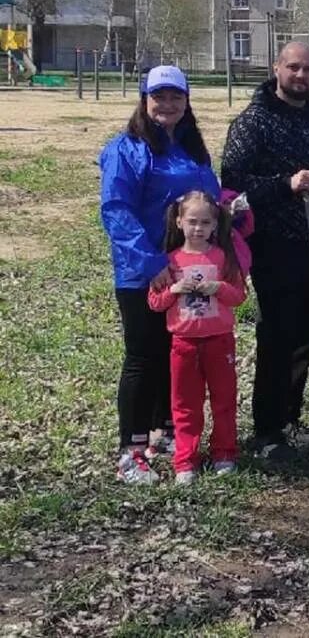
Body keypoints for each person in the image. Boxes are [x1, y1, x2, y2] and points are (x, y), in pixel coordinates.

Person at [221, 42, 309, 460]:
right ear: (276, 68)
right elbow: (232, 184)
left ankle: (289, 415)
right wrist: (286, 184)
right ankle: (266, 429)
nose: (301, 76)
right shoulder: (252, 122)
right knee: (278, 333)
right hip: (274, 243)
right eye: (293, 68)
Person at [100, 65, 220, 485]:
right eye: (159, 96)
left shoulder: (191, 149)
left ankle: (166, 433)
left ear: (187, 102)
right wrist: (152, 264)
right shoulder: (127, 150)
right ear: (144, 99)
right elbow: (116, 211)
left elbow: (210, 199)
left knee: (177, 355)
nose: (167, 104)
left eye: (176, 97)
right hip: (144, 274)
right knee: (143, 357)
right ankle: (130, 451)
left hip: (188, 272)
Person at [147, 191, 247, 484]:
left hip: (220, 340)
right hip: (183, 344)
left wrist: (218, 288)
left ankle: (224, 454)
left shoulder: (223, 257)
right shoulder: (170, 261)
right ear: (179, 222)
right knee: (185, 404)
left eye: (205, 222)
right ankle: (186, 461)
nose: (198, 228)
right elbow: (154, 302)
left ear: (216, 225)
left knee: (224, 400)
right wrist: (174, 291)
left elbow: (239, 295)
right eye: (192, 221)